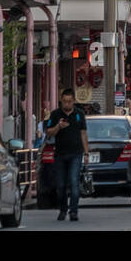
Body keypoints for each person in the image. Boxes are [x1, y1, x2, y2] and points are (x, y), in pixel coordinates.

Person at [44, 89, 89, 222]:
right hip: (60, 154)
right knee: (61, 185)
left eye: (69, 102)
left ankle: (73, 211)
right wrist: (59, 126)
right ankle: (63, 209)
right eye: (64, 101)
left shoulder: (79, 114)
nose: (67, 104)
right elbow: (49, 133)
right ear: (61, 101)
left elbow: (83, 133)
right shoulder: (55, 114)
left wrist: (86, 153)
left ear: (74, 101)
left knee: (74, 182)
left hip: (76, 153)